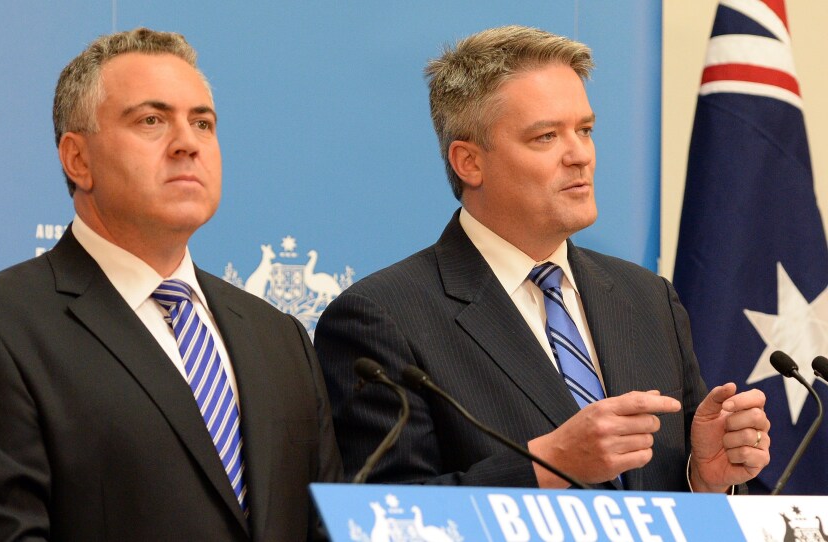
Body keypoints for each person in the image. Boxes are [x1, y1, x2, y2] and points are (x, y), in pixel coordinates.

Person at [314, 25, 770, 492]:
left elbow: (668, 493)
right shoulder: (382, 317)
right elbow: (381, 513)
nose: (580, 156)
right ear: (469, 162)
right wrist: (544, 467)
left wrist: (705, 478)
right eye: (546, 137)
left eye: (585, 130)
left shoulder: (648, 299)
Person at [0, 28, 341, 541]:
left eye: (202, 123)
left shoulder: (280, 337)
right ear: (78, 159)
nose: (187, 144)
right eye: (151, 121)